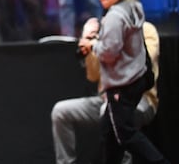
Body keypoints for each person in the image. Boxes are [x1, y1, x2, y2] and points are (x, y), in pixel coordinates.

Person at [77, 0, 169, 163]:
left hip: (122, 85)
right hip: (136, 79)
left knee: (125, 135)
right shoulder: (134, 8)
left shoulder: (114, 17)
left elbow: (109, 53)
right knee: (109, 134)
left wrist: (92, 44)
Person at [52, 13, 160, 164]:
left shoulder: (146, 30)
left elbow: (138, 65)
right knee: (60, 111)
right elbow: (93, 75)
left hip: (140, 101)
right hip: (104, 99)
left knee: (113, 112)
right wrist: (88, 40)